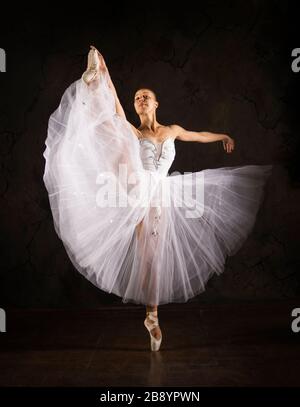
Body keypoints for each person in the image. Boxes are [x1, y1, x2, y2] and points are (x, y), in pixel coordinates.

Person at [43, 45, 272, 351]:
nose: (140, 100)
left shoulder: (172, 130)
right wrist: (103, 67)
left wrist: (223, 137)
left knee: (155, 257)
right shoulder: (133, 133)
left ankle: (152, 316)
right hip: (139, 192)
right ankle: (152, 315)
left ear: (155, 103)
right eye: (137, 98)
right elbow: (112, 104)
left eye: (145, 97)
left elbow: (198, 135)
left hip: (163, 192)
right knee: (148, 256)